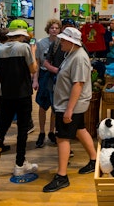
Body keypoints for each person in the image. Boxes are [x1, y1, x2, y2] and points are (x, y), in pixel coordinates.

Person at [42, 26, 98, 193]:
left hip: (69, 104)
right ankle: (95, 160)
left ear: (71, 42)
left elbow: (78, 84)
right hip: (69, 103)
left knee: (62, 137)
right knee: (80, 129)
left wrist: (69, 110)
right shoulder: (72, 55)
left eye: (63, 41)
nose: (60, 43)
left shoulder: (79, 58)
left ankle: (62, 175)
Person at [0, 27, 38, 176]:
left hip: (6, 94)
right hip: (23, 94)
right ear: (20, 36)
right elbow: (33, 69)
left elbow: (0, 75)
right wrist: (33, 52)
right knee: (22, 130)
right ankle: (19, 164)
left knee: (1, 129)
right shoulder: (24, 47)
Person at [32, 18, 65, 148]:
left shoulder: (61, 43)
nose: (54, 30)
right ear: (48, 29)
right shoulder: (41, 43)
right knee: (42, 104)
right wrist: (35, 80)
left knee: (54, 106)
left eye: (57, 28)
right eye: (52, 28)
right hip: (44, 75)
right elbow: (38, 63)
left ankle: (52, 131)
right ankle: (41, 132)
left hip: (55, 76)